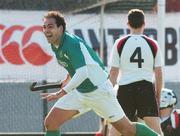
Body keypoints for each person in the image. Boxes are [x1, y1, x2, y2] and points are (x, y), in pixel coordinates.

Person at [41, 10, 161, 136]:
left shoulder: (71, 44)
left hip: (99, 91)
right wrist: (69, 78)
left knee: (127, 130)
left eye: (50, 27)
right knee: (51, 123)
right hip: (81, 92)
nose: (46, 30)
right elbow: (76, 65)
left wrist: (63, 91)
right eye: (44, 27)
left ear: (60, 28)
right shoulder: (56, 44)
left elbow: (83, 72)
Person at [108, 9, 164, 136]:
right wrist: (158, 95)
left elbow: (113, 72)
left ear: (128, 24)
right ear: (144, 24)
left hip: (125, 89)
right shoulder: (152, 44)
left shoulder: (120, 43)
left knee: (116, 131)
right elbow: (159, 74)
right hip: (146, 88)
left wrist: (107, 94)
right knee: (156, 131)